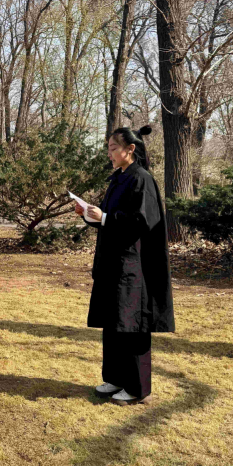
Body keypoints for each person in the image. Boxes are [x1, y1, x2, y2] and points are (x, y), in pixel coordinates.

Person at [75, 125, 175, 406]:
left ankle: (136, 388)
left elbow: (142, 222)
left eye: (113, 148)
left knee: (132, 324)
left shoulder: (142, 179)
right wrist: (88, 215)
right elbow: (108, 219)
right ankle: (115, 378)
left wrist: (105, 218)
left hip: (133, 266)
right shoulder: (118, 178)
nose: (109, 154)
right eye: (108, 149)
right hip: (112, 263)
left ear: (130, 149)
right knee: (114, 322)